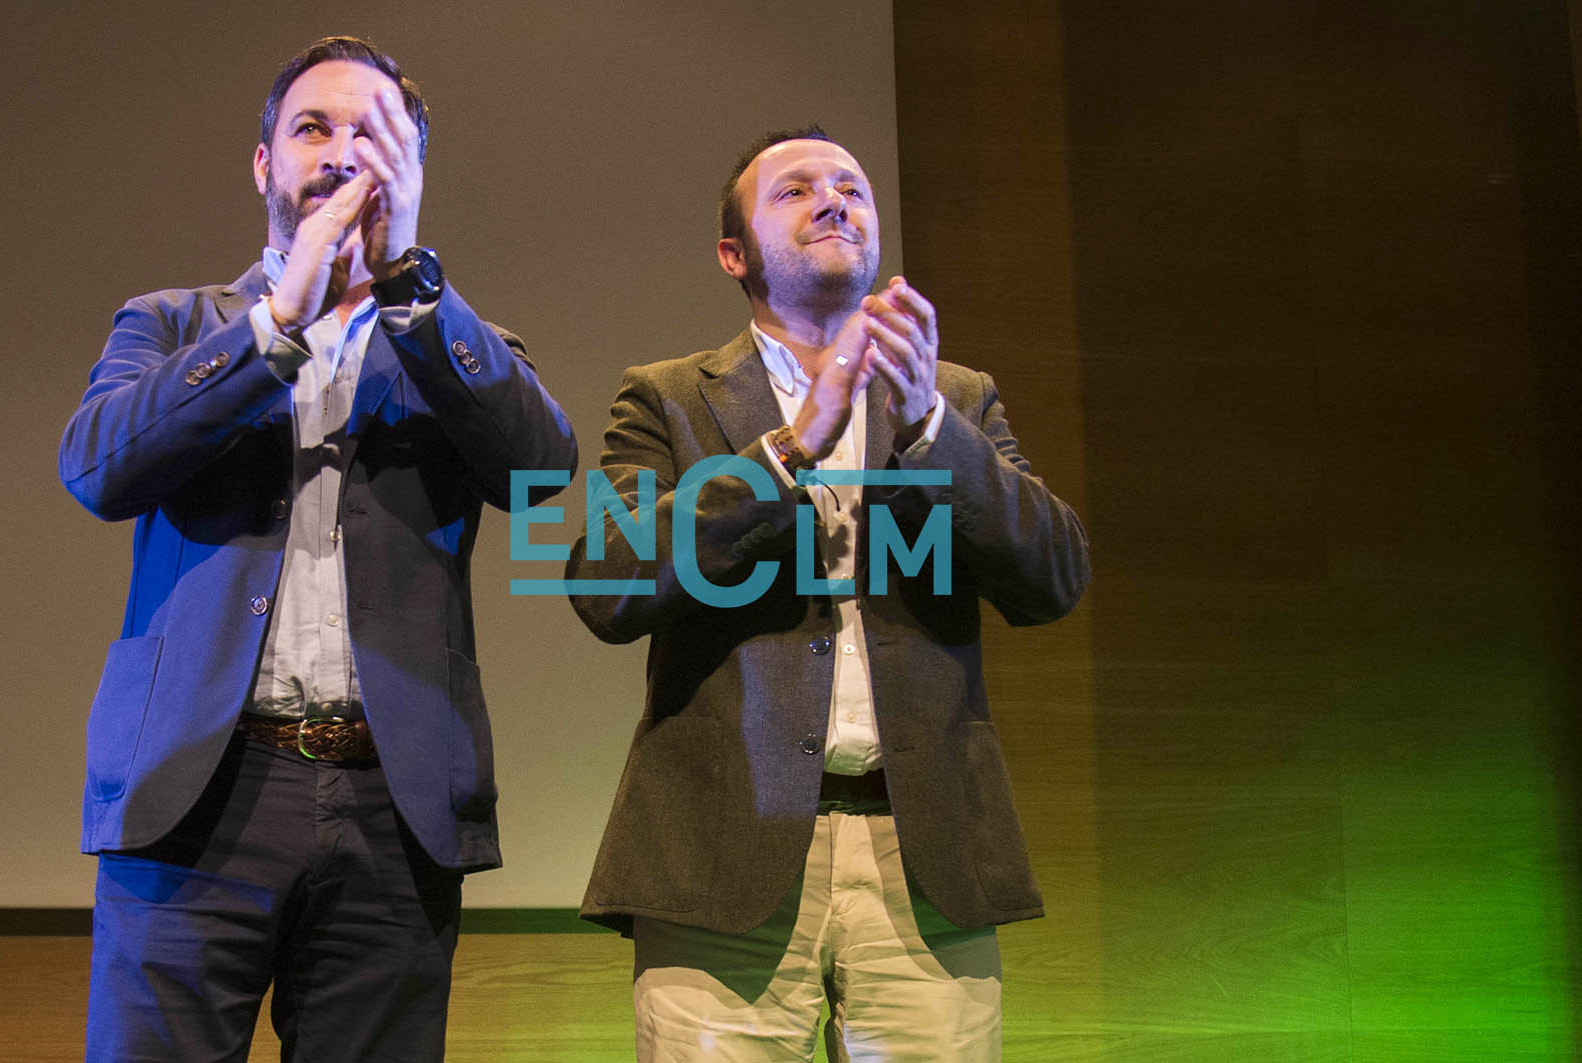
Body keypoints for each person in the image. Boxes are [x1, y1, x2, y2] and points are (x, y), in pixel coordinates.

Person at [59, 36, 577, 1061]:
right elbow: (96, 471)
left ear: (411, 172)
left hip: (393, 802)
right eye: (313, 126)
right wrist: (276, 321)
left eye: (374, 132)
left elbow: (540, 470)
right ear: (263, 165)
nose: (343, 151)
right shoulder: (172, 322)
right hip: (196, 796)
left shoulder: (455, 340)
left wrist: (409, 287)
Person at [565, 126, 1090, 1060]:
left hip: (922, 858)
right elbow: (607, 581)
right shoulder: (668, 396)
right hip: (721, 851)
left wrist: (928, 423)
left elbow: (1053, 577)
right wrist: (787, 448)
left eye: (850, 186)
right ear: (735, 253)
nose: (834, 199)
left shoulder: (957, 398)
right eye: (796, 190)